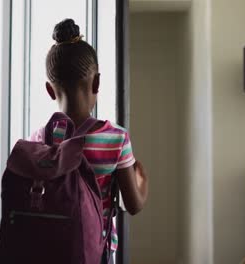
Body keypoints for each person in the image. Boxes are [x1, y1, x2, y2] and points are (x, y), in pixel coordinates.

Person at [29, 18, 148, 264]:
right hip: (95, 252)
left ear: (50, 90)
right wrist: (142, 179)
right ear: (97, 83)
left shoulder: (39, 139)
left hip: (48, 251)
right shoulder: (115, 139)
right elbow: (133, 204)